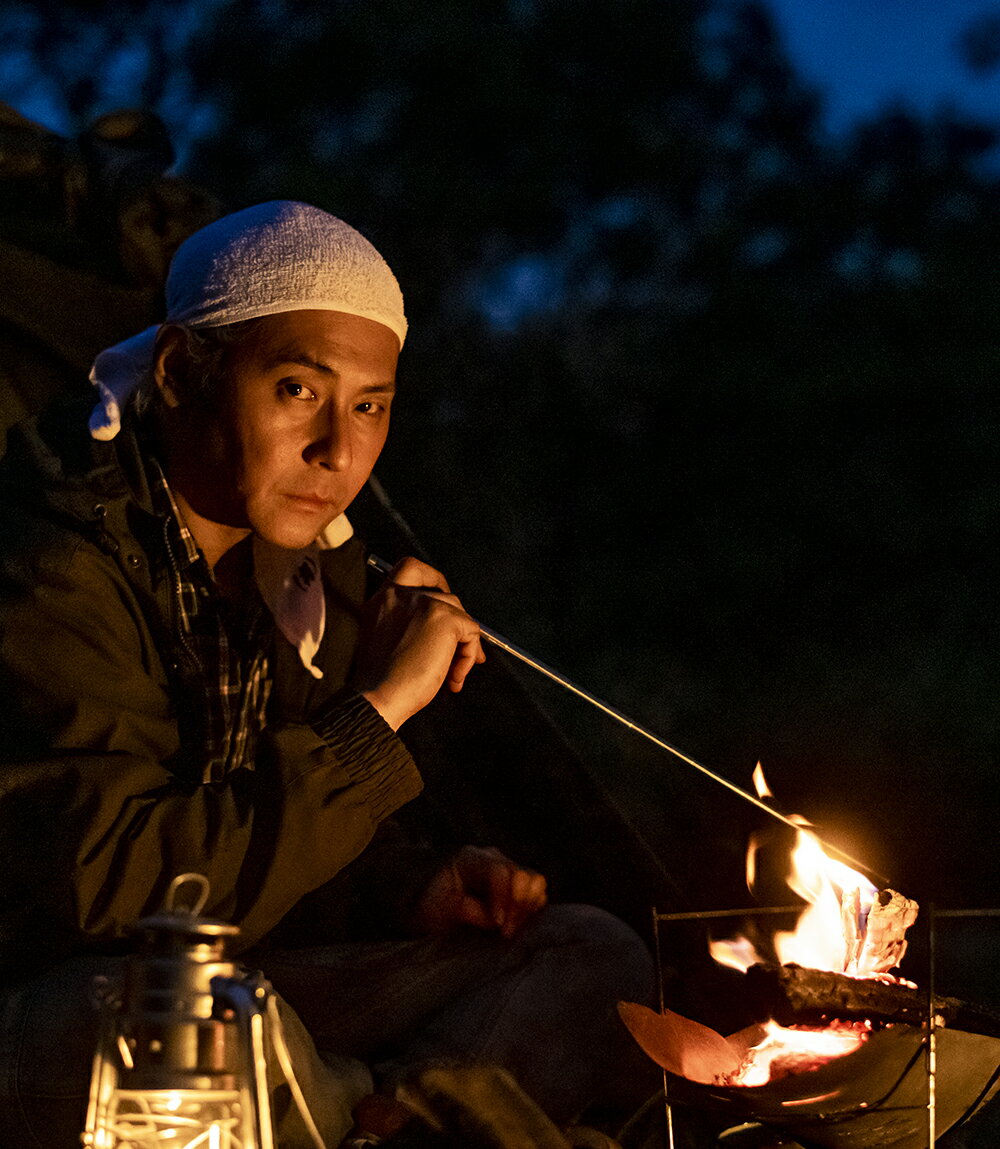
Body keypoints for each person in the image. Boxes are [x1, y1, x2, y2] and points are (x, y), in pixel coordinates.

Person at [0, 201, 655, 1147]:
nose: (337, 451)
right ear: (185, 372)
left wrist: (406, 885)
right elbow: (120, 890)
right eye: (298, 389)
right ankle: (401, 1110)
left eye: (369, 405)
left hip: (249, 980)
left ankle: (381, 1112)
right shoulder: (53, 561)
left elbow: (264, 846)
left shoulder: (308, 570)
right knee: (206, 1030)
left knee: (590, 952)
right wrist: (381, 710)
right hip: (69, 1001)